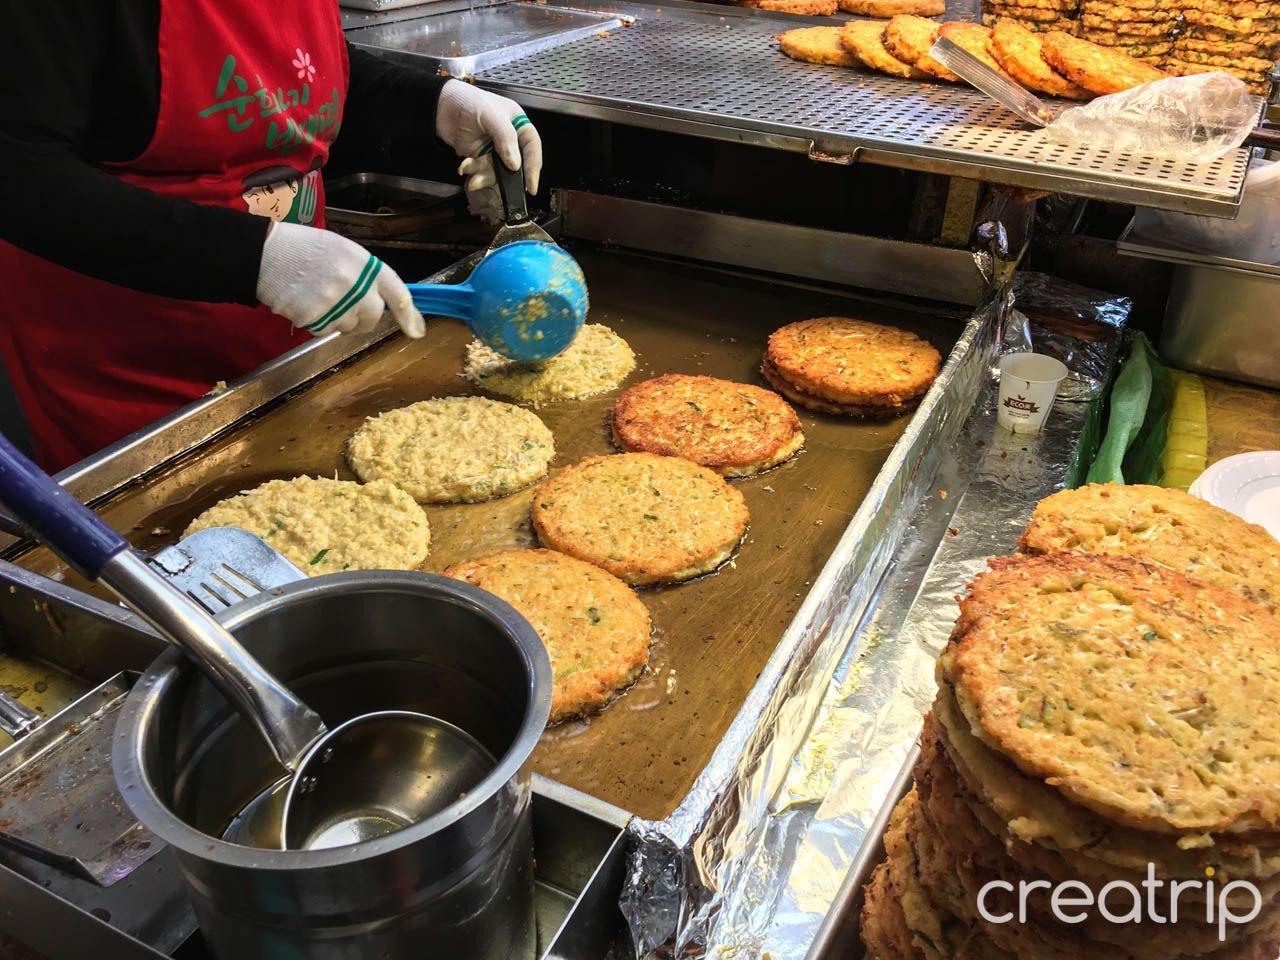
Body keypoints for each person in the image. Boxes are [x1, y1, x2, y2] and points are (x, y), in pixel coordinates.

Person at [0, 1, 543, 471]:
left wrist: (436, 103)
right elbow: (21, 173)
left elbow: (284, 73)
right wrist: (252, 258)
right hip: (123, 374)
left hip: (288, 351)